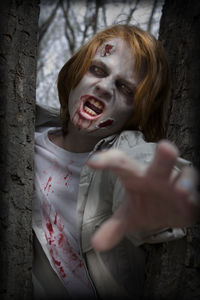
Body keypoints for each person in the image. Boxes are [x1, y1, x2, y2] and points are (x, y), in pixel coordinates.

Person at [32, 24, 198, 300]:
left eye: (125, 88)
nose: (104, 87)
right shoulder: (22, 137)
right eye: (97, 69)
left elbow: (144, 165)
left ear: (138, 111)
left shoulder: (126, 156)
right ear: (76, 72)